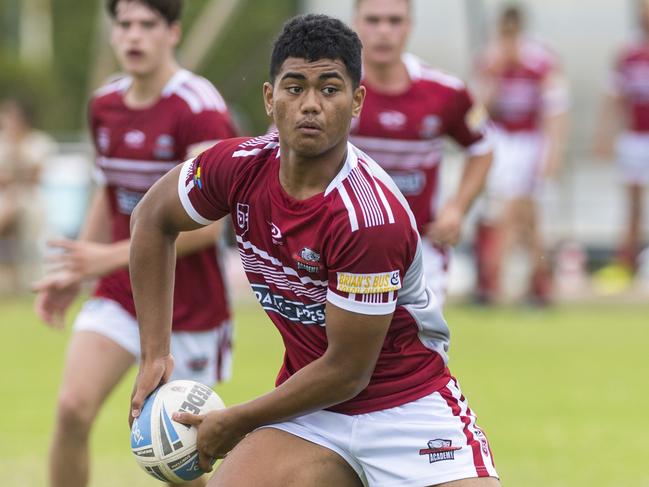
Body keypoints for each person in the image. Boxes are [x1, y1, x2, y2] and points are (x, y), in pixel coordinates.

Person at [129, 13, 499, 487]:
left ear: (356, 101)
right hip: (311, 413)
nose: (310, 105)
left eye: (329, 89)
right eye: (294, 87)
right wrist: (155, 354)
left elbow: (348, 372)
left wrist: (236, 420)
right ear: (270, 98)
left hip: (406, 410)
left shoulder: (368, 217)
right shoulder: (235, 167)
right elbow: (151, 220)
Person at [32, 1, 237, 486]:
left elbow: (208, 225)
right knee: (71, 407)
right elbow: (110, 194)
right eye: (124, 25)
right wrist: (76, 269)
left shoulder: (198, 106)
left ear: (173, 33)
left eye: (147, 25)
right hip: (122, 293)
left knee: (181, 454)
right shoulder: (105, 105)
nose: (134, 36)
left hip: (189, 306)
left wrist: (100, 258)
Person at [349, 0, 493, 305]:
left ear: (409, 25)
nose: (384, 31)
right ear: (356, 24)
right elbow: (285, 145)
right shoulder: (333, 88)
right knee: (349, 351)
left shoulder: (445, 91)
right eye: (373, 20)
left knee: (419, 348)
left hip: (421, 246)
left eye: (394, 21)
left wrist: (457, 207)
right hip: (347, 245)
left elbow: (482, 147)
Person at [473, 4, 569, 305]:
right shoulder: (490, 61)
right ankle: (498, 280)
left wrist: (553, 152)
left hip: (531, 142)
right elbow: (478, 111)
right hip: (504, 143)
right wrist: (495, 77)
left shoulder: (540, 62)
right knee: (510, 211)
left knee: (530, 215)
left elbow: (556, 109)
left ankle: (530, 282)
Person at [594, 0, 649, 281]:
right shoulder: (628, 53)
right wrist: (605, 136)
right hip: (635, 139)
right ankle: (627, 263)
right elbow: (614, 97)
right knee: (632, 206)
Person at [0, 97, 56, 292]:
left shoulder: (39, 142)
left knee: (27, 235)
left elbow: (34, 175)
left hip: (29, 200)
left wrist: (15, 149)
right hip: (5, 199)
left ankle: (29, 285)